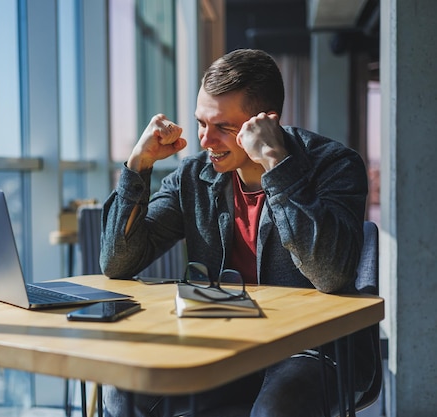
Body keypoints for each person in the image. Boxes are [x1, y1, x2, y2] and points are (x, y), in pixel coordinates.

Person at [99, 49, 376, 417]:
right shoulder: (194, 176)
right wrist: (139, 164)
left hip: (310, 349)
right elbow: (117, 262)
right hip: (222, 341)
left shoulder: (334, 165)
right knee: (124, 391)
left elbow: (330, 273)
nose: (205, 140)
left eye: (223, 128)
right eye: (201, 123)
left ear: (266, 123)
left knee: (277, 407)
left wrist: (277, 165)